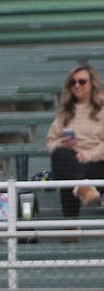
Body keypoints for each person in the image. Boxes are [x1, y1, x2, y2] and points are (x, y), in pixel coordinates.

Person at [45, 63, 104, 227]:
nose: (77, 85)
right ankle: (83, 190)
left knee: (68, 170)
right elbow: (50, 143)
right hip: (71, 160)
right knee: (61, 156)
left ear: (92, 83)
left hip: (97, 162)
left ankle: (70, 224)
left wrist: (87, 155)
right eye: (73, 82)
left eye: (82, 81)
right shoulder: (65, 111)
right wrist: (61, 143)